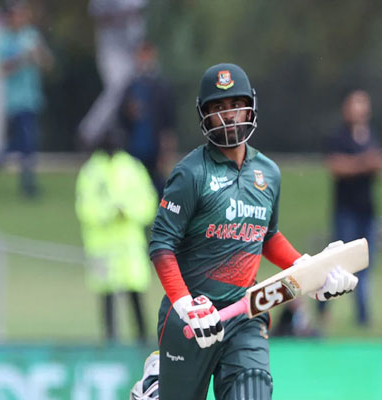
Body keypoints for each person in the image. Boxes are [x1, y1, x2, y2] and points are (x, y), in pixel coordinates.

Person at [149, 63, 359, 399]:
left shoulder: (268, 173)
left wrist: (306, 268)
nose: (228, 116)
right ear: (204, 115)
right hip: (192, 319)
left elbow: (267, 235)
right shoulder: (190, 173)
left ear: (250, 108)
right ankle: (156, 382)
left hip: (245, 314)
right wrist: (185, 303)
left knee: (252, 390)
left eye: (236, 105)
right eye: (218, 107)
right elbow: (161, 245)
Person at [75, 128, 157, 344]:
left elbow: (148, 202)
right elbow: (85, 207)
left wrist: (128, 211)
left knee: (135, 293)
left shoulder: (132, 168)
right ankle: (110, 342)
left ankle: (142, 341)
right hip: (102, 246)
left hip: (129, 245)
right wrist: (109, 212)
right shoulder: (91, 171)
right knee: (107, 297)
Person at [322, 89, 382, 327]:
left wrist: (369, 165)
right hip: (345, 210)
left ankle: (363, 316)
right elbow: (337, 167)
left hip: (367, 210)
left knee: (366, 262)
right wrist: (363, 163)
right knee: (339, 262)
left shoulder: (371, 135)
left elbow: (378, 164)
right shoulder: (339, 137)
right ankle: (323, 305)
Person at [0, 0, 52, 198]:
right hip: (16, 101)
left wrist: (38, 54)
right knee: (27, 142)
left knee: (20, 143)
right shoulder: (5, 40)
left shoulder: (31, 35)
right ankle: (28, 184)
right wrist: (21, 58)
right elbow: (1, 69)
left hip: (32, 98)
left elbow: (48, 64)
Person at [78, 0, 147, 147]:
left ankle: (128, 135)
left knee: (141, 89)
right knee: (117, 88)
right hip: (111, 49)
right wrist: (120, 16)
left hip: (133, 48)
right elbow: (98, 16)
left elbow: (139, 13)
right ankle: (89, 132)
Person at [119, 41, 176, 196]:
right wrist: (128, 112)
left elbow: (168, 122)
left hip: (154, 151)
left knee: (157, 189)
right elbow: (120, 119)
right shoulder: (130, 87)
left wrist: (166, 151)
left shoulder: (161, 87)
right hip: (134, 149)